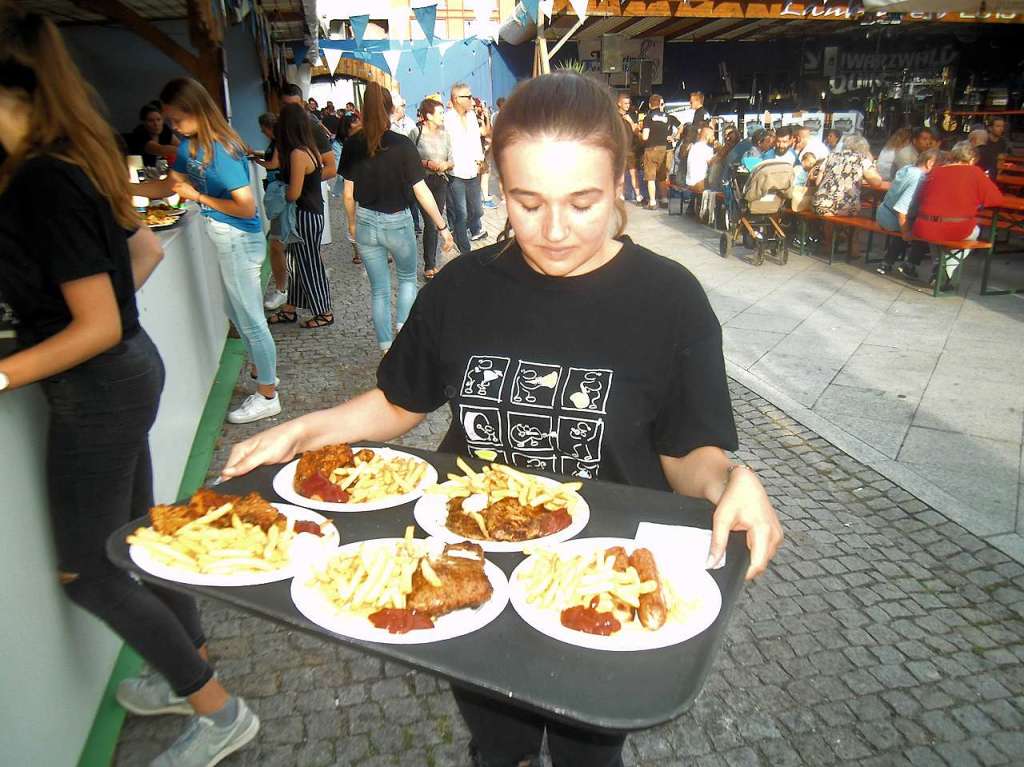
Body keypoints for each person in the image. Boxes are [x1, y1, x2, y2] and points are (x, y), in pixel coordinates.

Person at [219, 71, 782, 767]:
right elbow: (401, 402)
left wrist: (730, 479)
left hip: (598, 583)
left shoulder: (671, 299)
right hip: (471, 571)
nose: (553, 230)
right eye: (526, 200)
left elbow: (687, 452)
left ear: (621, 184)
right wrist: (306, 429)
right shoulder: (463, 286)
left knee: (588, 751)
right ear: (496, 186)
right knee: (498, 742)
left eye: (583, 202)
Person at [0, 12, 259, 767]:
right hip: (126, 374)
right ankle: (188, 663)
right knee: (143, 542)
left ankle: (217, 710)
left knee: (88, 572)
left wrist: (12, 365)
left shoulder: (40, 180)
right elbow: (143, 251)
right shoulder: (74, 159)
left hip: (98, 390)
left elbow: (97, 325)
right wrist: (99, 318)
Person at [136, 77, 281, 424]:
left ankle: (268, 394)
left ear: (197, 112)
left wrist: (197, 197)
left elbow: (246, 208)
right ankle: (265, 375)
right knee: (235, 309)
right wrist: (118, 187)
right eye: (168, 121)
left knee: (250, 318)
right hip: (227, 239)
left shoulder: (221, 149)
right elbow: (166, 185)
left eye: (176, 120)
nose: (172, 127)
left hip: (239, 241)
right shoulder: (190, 146)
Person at [340, 83, 454, 351]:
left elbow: (348, 194)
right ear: (391, 109)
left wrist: (352, 224)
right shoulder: (402, 145)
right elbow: (421, 190)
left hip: (367, 221)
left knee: (379, 290)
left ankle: (385, 348)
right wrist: (442, 227)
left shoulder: (353, 145)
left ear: (362, 110)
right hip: (398, 221)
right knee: (406, 280)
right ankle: (403, 334)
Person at [266, 103, 333, 329]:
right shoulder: (309, 149)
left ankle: (324, 311)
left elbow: (294, 193)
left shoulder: (297, 154)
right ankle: (290, 309)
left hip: (303, 215)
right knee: (296, 264)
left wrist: (277, 192)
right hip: (312, 213)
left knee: (308, 265)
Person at [910, 141, 1004, 287]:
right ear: (972, 159)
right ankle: (945, 271)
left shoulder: (936, 171)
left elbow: (922, 196)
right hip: (956, 228)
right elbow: (996, 199)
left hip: (925, 225)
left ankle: (939, 267)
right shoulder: (975, 172)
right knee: (974, 232)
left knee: (936, 235)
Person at [875, 147, 938, 275]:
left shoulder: (907, 169)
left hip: (883, 212)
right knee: (922, 230)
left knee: (912, 225)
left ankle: (887, 263)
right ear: (930, 163)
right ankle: (909, 265)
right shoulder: (919, 178)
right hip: (893, 218)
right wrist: (906, 233)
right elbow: (901, 211)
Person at [409, 98, 454, 280]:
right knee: (430, 222)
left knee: (435, 221)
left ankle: (431, 262)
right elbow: (408, 158)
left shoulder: (446, 134)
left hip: (440, 180)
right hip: (422, 182)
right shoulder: (416, 132)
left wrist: (446, 165)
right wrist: (427, 163)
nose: (443, 116)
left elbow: (452, 158)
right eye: (440, 113)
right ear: (428, 115)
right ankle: (430, 265)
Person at [250, 112, 288, 310]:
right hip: (280, 195)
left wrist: (257, 161)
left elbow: (274, 163)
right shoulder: (281, 141)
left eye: (262, 129)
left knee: (276, 244)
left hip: (280, 195)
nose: (261, 132)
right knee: (281, 243)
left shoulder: (279, 142)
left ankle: (282, 290)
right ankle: (286, 288)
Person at [445, 82, 487, 253]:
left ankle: (458, 231)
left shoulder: (471, 117)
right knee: (460, 213)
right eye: (467, 96)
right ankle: (465, 250)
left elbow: (476, 140)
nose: (471, 99)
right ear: (456, 99)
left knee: (477, 210)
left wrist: (481, 160)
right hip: (456, 173)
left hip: (473, 170)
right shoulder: (447, 118)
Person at [280, 83, 336, 182]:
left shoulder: (312, 127)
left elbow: (331, 169)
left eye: (294, 106)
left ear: (302, 104)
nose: (290, 111)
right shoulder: (279, 126)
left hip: (305, 194)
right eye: (286, 106)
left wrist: (301, 184)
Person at [640, 93, 680, 210]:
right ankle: (664, 199)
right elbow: (680, 127)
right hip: (664, 149)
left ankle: (652, 202)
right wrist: (674, 137)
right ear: (660, 104)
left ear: (650, 104)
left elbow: (645, 137)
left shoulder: (648, 117)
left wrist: (640, 133)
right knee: (662, 176)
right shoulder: (667, 116)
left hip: (651, 148)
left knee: (651, 177)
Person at [127, 101, 179, 167]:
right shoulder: (139, 133)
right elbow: (160, 150)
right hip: (143, 172)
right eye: (151, 121)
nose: (156, 124)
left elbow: (179, 145)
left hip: (162, 172)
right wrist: (189, 151)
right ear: (144, 122)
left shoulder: (164, 129)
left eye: (158, 119)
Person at [616, 92, 642, 202]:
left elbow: (637, 131)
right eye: (625, 103)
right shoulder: (614, 116)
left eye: (628, 103)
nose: (627, 105)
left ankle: (638, 195)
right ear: (619, 104)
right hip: (619, 148)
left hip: (631, 148)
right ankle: (620, 195)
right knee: (621, 173)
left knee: (633, 172)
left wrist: (630, 121)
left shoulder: (631, 116)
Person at [684, 125, 715, 193]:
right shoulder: (707, 149)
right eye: (712, 136)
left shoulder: (693, 147)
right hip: (699, 183)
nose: (714, 138)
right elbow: (712, 164)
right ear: (707, 136)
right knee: (720, 183)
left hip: (689, 182)